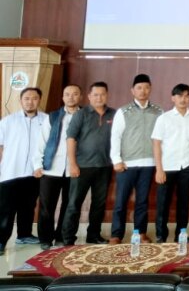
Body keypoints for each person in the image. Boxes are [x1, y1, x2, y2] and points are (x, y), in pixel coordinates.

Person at [109, 73, 163, 244]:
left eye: (146, 87)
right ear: (132, 90)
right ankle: (116, 235)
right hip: (127, 164)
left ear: (150, 89)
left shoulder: (158, 111)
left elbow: (162, 138)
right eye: (139, 88)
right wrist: (116, 159)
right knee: (121, 201)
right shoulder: (123, 111)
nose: (143, 91)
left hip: (149, 163)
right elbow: (115, 136)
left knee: (142, 201)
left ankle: (140, 233)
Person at [61, 82, 116, 246]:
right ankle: (68, 238)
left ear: (107, 95)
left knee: (99, 204)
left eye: (102, 94)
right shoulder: (81, 114)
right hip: (82, 167)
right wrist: (72, 164)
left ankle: (93, 235)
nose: (99, 98)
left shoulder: (114, 114)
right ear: (89, 96)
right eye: (96, 95)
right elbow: (71, 139)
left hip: (104, 166)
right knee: (74, 204)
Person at [33, 84, 82, 250]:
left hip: (74, 169)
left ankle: (62, 236)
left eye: (75, 94)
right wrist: (37, 164)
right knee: (47, 206)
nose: (71, 97)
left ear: (81, 97)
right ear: (63, 97)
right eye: (67, 94)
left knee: (69, 206)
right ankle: (45, 238)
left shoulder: (85, 116)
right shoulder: (53, 117)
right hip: (51, 168)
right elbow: (41, 142)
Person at [0, 87, 47, 255]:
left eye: (34, 98)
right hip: (11, 172)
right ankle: (1, 241)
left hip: (35, 172)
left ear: (39, 100)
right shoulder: (8, 121)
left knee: (28, 206)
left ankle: (24, 235)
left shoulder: (46, 120)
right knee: (6, 209)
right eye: (26, 98)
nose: (30, 102)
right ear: (20, 101)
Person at [151, 83, 189, 243]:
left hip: (187, 165)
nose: (183, 99)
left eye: (186, 96)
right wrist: (159, 169)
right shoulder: (164, 118)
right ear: (173, 98)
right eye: (179, 96)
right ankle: (161, 235)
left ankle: (181, 234)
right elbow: (156, 144)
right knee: (163, 203)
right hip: (167, 166)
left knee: (184, 202)